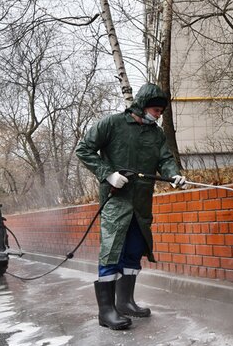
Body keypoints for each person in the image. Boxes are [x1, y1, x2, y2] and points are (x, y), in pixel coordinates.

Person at [75, 83, 187, 330]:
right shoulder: (112, 124)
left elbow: (165, 159)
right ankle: (106, 312)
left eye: (160, 112)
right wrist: (107, 174)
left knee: (135, 250)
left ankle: (125, 302)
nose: (158, 115)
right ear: (143, 105)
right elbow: (83, 150)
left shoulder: (155, 134)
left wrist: (174, 175)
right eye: (156, 110)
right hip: (116, 199)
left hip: (141, 201)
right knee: (112, 249)